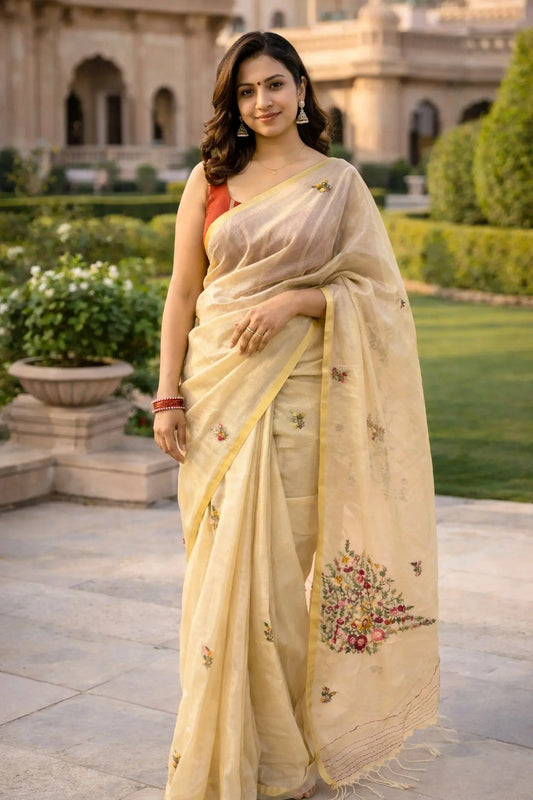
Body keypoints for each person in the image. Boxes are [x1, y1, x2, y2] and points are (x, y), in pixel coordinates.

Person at [153, 30, 439, 800]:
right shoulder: (209, 179)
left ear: (303, 88)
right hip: (216, 396)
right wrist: (167, 393)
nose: (262, 102)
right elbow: (183, 295)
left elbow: (379, 297)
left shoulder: (337, 183)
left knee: (284, 587)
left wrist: (294, 300)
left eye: (274, 85)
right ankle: (228, 753)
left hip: (304, 404)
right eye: (245, 92)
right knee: (224, 582)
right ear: (233, 104)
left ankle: (282, 759)